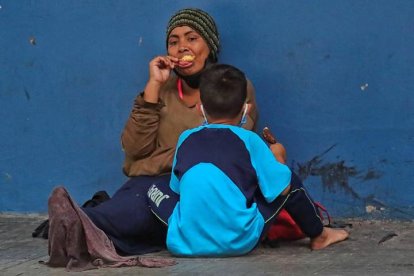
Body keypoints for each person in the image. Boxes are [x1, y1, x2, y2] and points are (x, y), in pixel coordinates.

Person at [45, 8, 259, 270]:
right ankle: (81, 225)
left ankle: (82, 226)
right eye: (174, 41)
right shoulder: (162, 91)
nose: (182, 48)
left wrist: (150, 163)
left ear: (210, 46)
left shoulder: (232, 87)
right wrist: (154, 87)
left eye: (192, 39)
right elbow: (135, 150)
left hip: (192, 189)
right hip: (147, 183)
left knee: (141, 208)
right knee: (134, 198)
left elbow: (216, 149)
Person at [147, 63, 349, 257]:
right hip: (240, 241)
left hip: (184, 242)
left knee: (154, 188)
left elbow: (177, 189)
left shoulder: (186, 138)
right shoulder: (250, 140)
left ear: (201, 108)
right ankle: (320, 235)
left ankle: (183, 232)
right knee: (288, 180)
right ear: (245, 109)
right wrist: (278, 156)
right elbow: (280, 187)